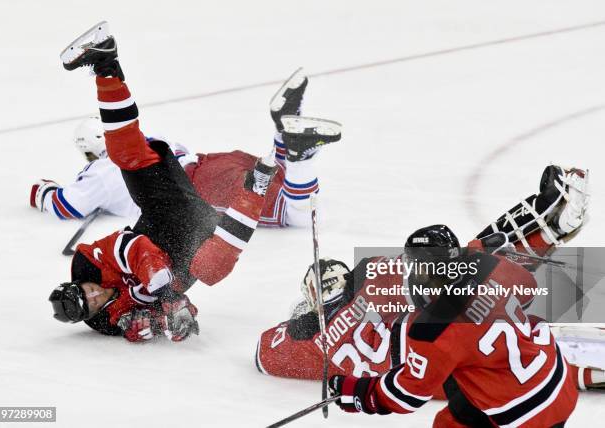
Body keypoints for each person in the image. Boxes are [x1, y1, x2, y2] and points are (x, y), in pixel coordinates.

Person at [46, 22, 341, 342]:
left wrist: (162, 292)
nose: (92, 296)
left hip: (170, 210)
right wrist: (170, 317)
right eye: (89, 305)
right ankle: (283, 147)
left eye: (83, 292)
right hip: (199, 203)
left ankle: (105, 66)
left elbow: (133, 247)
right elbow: (138, 323)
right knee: (212, 267)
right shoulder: (107, 318)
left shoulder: (88, 258)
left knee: (292, 214)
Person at [257, 165, 594, 426]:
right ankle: (547, 220)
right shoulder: (371, 278)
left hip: (425, 369)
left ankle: (584, 373)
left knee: (479, 363)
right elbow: (480, 268)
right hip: (447, 355)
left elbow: (264, 353)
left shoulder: (314, 350)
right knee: (473, 261)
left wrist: (350, 387)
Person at [30, 66, 337, 227]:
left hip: (201, 189)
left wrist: (41, 190)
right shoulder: (145, 141)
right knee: (280, 182)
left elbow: (66, 206)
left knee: (298, 216)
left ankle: (298, 153)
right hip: (214, 163)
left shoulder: (103, 170)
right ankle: (286, 133)